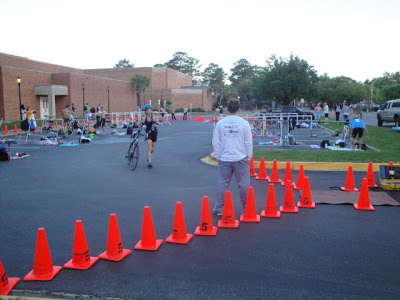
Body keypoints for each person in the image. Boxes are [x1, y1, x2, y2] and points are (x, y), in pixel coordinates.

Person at [212, 98, 253, 216]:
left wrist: (218, 155)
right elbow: (248, 142)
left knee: (222, 183)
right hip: (240, 157)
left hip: (225, 157)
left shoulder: (220, 123)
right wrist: (248, 155)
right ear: (239, 108)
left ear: (227, 108)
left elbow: (216, 142)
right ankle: (246, 208)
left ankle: (219, 208)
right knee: (243, 184)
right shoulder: (244, 123)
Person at [142, 104, 158, 168]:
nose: (149, 111)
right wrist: (143, 125)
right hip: (148, 133)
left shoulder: (153, 116)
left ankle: (148, 156)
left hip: (154, 132)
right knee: (149, 147)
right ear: (145, 111)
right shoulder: (144, 117)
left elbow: (154, 122)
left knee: (152, 148)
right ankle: (149, 162)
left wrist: (153, 125)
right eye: (148, 110)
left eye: (150, 110)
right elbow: (142, 123)